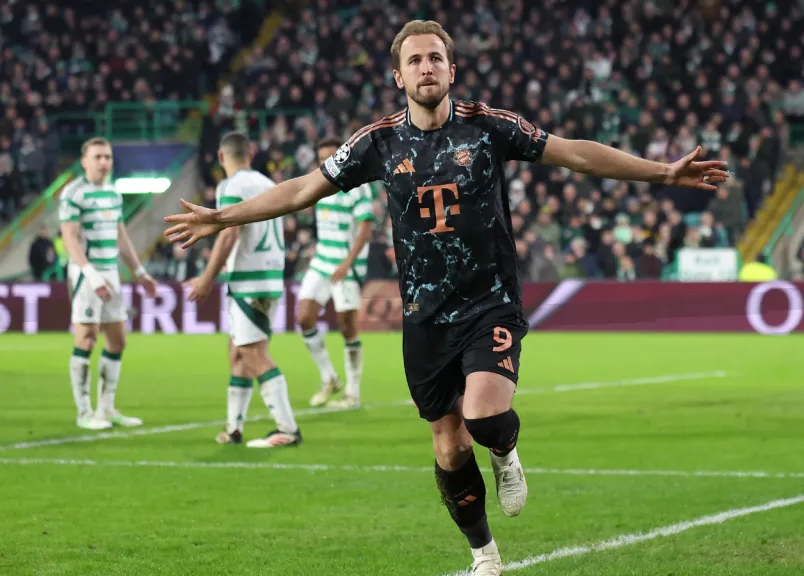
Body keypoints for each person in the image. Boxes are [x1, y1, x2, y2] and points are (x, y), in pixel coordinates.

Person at [164, 20, 728, 575]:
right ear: (397, 76)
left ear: (452, 70)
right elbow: (302, 189)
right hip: (424, 319)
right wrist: (221, 217)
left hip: (490, 303)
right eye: (415, 61)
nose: (426, 68)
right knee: (449, 448)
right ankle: (485, 555)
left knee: (484, 415)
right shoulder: (377, 142)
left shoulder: (488, 126)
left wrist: (660, 173)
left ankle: (506, 454)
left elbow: (574, 153)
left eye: (435, 58)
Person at [184, 132, 302, 448]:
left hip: (249, 280)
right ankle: (234, 428)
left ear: (221, 158)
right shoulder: (267, 184)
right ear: (250, 154)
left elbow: (229, 234)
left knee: (253, 353)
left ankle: (288, 429)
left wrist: (207, 277)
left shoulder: (230, 187)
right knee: (238, 350)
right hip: (270, 276)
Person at [59, 137, 158, 430]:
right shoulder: (73, 194)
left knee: (117, 340)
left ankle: (106, 408)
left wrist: (139, 271)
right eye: (98, 157)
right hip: (85, 274)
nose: (104, 162)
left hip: (111, 273)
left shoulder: (114, 194)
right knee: (86, 337)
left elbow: (120, 236)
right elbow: (69, 238)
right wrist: (90, 275)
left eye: (108, 157)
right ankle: (84, 412)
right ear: (84, 161)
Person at [298, 136, 375, 410]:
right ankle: (329, 377)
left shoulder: (358, 188)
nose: (327, 162)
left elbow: (366, 229)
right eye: (323, 158)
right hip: (321, 261)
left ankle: (352, 393)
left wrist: (347, 264)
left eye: (331, 156)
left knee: (347, 328)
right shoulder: (320, 184)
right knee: (304, 317)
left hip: (346, 266)